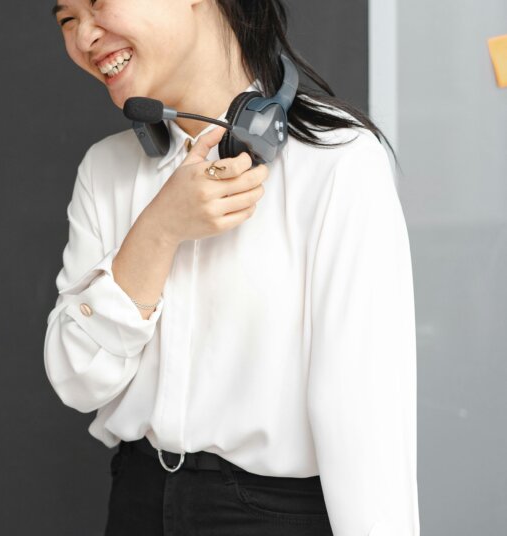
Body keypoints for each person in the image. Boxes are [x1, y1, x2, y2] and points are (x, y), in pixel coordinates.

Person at [43, 1, 417, 534]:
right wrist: (158, 229)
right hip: (136, 502)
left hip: (272, 517)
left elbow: (365, 427)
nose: (84, 37)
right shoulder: (105, 170)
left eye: (98, 3)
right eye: (67, 19)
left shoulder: (338, 162)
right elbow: (77, 380)